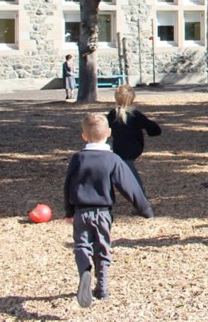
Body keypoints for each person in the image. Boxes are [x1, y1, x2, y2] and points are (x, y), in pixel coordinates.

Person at [64, 113, 153, 307]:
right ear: (109, 133)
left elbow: (69, 185)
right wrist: (144, 208)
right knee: (102, 246)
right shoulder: (113, 160)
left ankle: (84, 273)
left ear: (83, 136)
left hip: (81, 210)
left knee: (82, 246)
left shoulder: (78, 158)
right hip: (103, 211)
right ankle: (102, 286)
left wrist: (69, 211)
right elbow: (129, 186)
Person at [106, 86, 161, 196]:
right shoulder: (135, 115)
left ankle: (138, 196)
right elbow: (154, 129)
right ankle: (139, 197)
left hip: (120, 149)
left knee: (123, 171)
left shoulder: (112, 115)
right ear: (132, 98)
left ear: (116, 99)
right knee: (124, 171)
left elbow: (104, 128)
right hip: (133, 148)